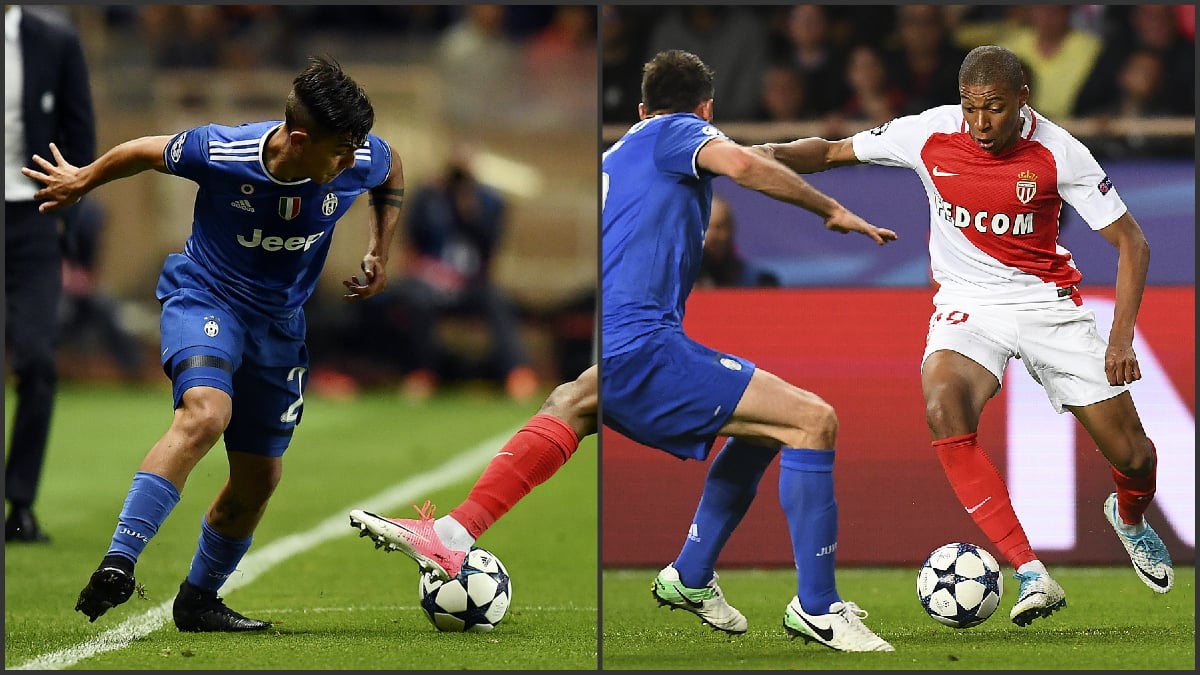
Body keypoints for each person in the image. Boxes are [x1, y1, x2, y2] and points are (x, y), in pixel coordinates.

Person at [351, 50, 899, 653]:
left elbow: (757, 157)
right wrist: (833, 208)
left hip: (614, 342)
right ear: (706, 109)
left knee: (577, 404)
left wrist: (830, 150)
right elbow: (742, 162)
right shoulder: (680, 133)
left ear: (640, 108)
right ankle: (819, 607)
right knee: (814, 421)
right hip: (648, 345)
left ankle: (463, 531)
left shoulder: (628, 149)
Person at [758, 44, 1173, 627]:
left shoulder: (1060, 152)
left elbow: (1134, 243)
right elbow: (830, 151)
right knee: (943, 404)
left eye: (995, 109)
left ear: (1023, 99)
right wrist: (746, 156)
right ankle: (1031, 572)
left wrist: (1121, 339)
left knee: (1134, 455)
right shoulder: (929, 133)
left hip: (1045, 304)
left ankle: (1129, 517)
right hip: (968, 304)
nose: (980, 124)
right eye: (971, 108)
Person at [22, 55, 405, 631]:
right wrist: (83, 179)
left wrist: (379, 247)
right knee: (206, 413)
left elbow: (392, 168)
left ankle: (198, 601)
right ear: (299, 139)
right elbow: (144, 151)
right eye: (341, 151)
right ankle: (118, 564)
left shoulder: (360, 157)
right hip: (208, 298)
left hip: (279, 324)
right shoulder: (224, 152)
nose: (354, 161)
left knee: (258, 481)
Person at [5, 4, 96, 544]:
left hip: (32, 217)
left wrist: (67, 214)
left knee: (37, 359)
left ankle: (20, 503)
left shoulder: (55, 39)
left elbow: (79, 133)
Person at [358, 148, 538, 401]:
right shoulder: (428, 198)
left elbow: (491, 248)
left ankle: (517, 372)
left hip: (470, 284)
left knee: (497, 300)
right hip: (429, 281)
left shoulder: (489, 201)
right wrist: (431, 272)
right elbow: (412, 247)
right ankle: (422, 373)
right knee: (417, 301)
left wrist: (470, 212)